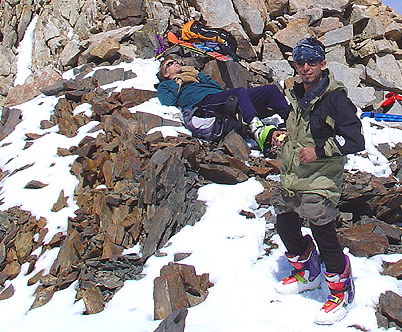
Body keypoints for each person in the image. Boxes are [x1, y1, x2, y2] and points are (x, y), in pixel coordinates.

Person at [272, 37, 365, 325]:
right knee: (284, 221)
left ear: (323, 64)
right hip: (294, 172)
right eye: (300, 62)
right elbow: (296, 126)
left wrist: (319, 150)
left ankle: (341, 288)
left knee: (321, 227)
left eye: (312, 61)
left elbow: (354, 139)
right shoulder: (296, 94)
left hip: (322, 175)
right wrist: (280, 133)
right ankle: (308, 269)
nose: (306, 67)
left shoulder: (335, 98)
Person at [156, 58, 288, 151]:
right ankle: (256, 129)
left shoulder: (193, 75)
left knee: (270, 90)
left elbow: (216, 86)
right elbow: (167, 100)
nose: (176, 63)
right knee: (239, 92)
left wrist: (199, 76)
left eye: (176, 61)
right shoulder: (166, 85)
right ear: (166, 74)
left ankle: (290, 123)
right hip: (203, 103)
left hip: (219, 96)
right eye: (170, 63)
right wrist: (178, 82)